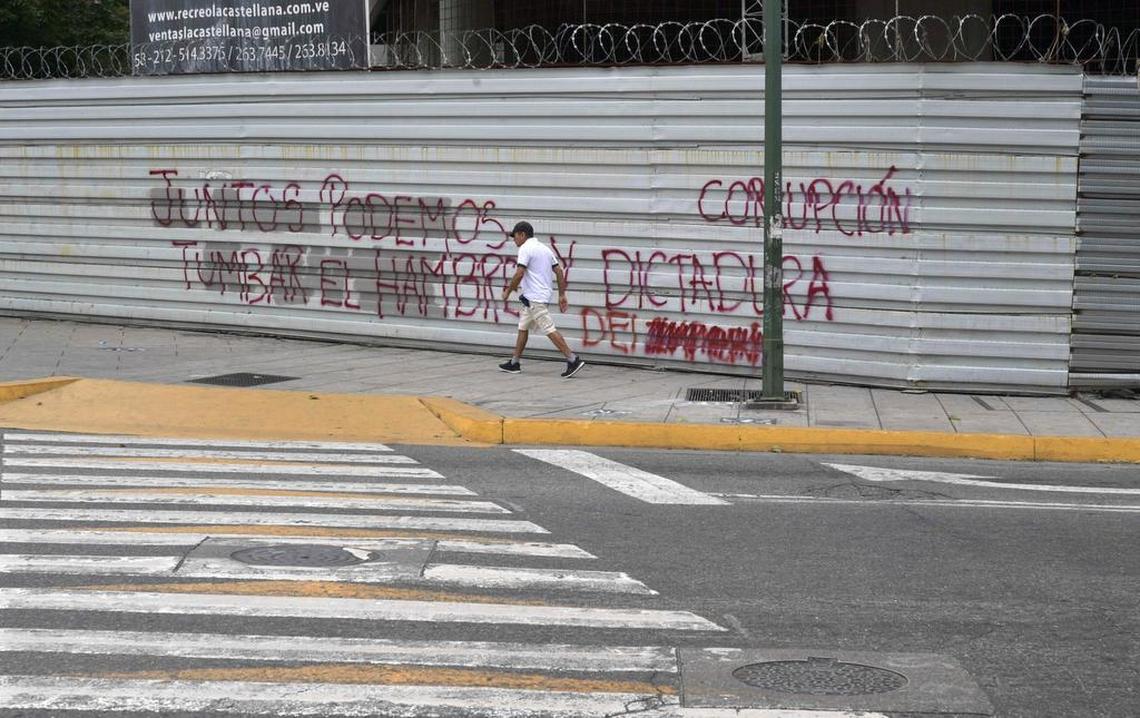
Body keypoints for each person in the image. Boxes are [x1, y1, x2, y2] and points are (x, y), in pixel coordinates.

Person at [499, 221, 585, 378]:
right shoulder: (544, 249)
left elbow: (519, 273)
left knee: (548, 328)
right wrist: (561, 294)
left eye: (515, 236)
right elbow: (559, 271)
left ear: (522, 235)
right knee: (523, 327)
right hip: (536, 296)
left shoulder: (525, 248)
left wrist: (508, 291)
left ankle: (573, 359)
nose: (514, 240)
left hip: (535, 298)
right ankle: (514, 362)